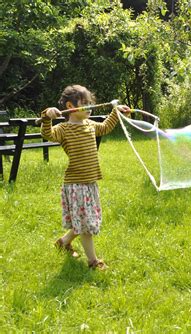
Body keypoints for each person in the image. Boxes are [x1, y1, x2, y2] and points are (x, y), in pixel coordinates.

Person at [41, 84, 130, 270]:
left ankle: (63, 243)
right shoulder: (64, 129)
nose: (89, 106)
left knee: (82, 220)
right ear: (70, 106)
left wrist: (116, 112)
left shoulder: (90, 125)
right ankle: (93, 262)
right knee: (86, 225)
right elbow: (47, 134)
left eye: (91, 103)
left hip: (90, 183)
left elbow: (105, 127)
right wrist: (47, 117)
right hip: (76, 185)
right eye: (85, 103)